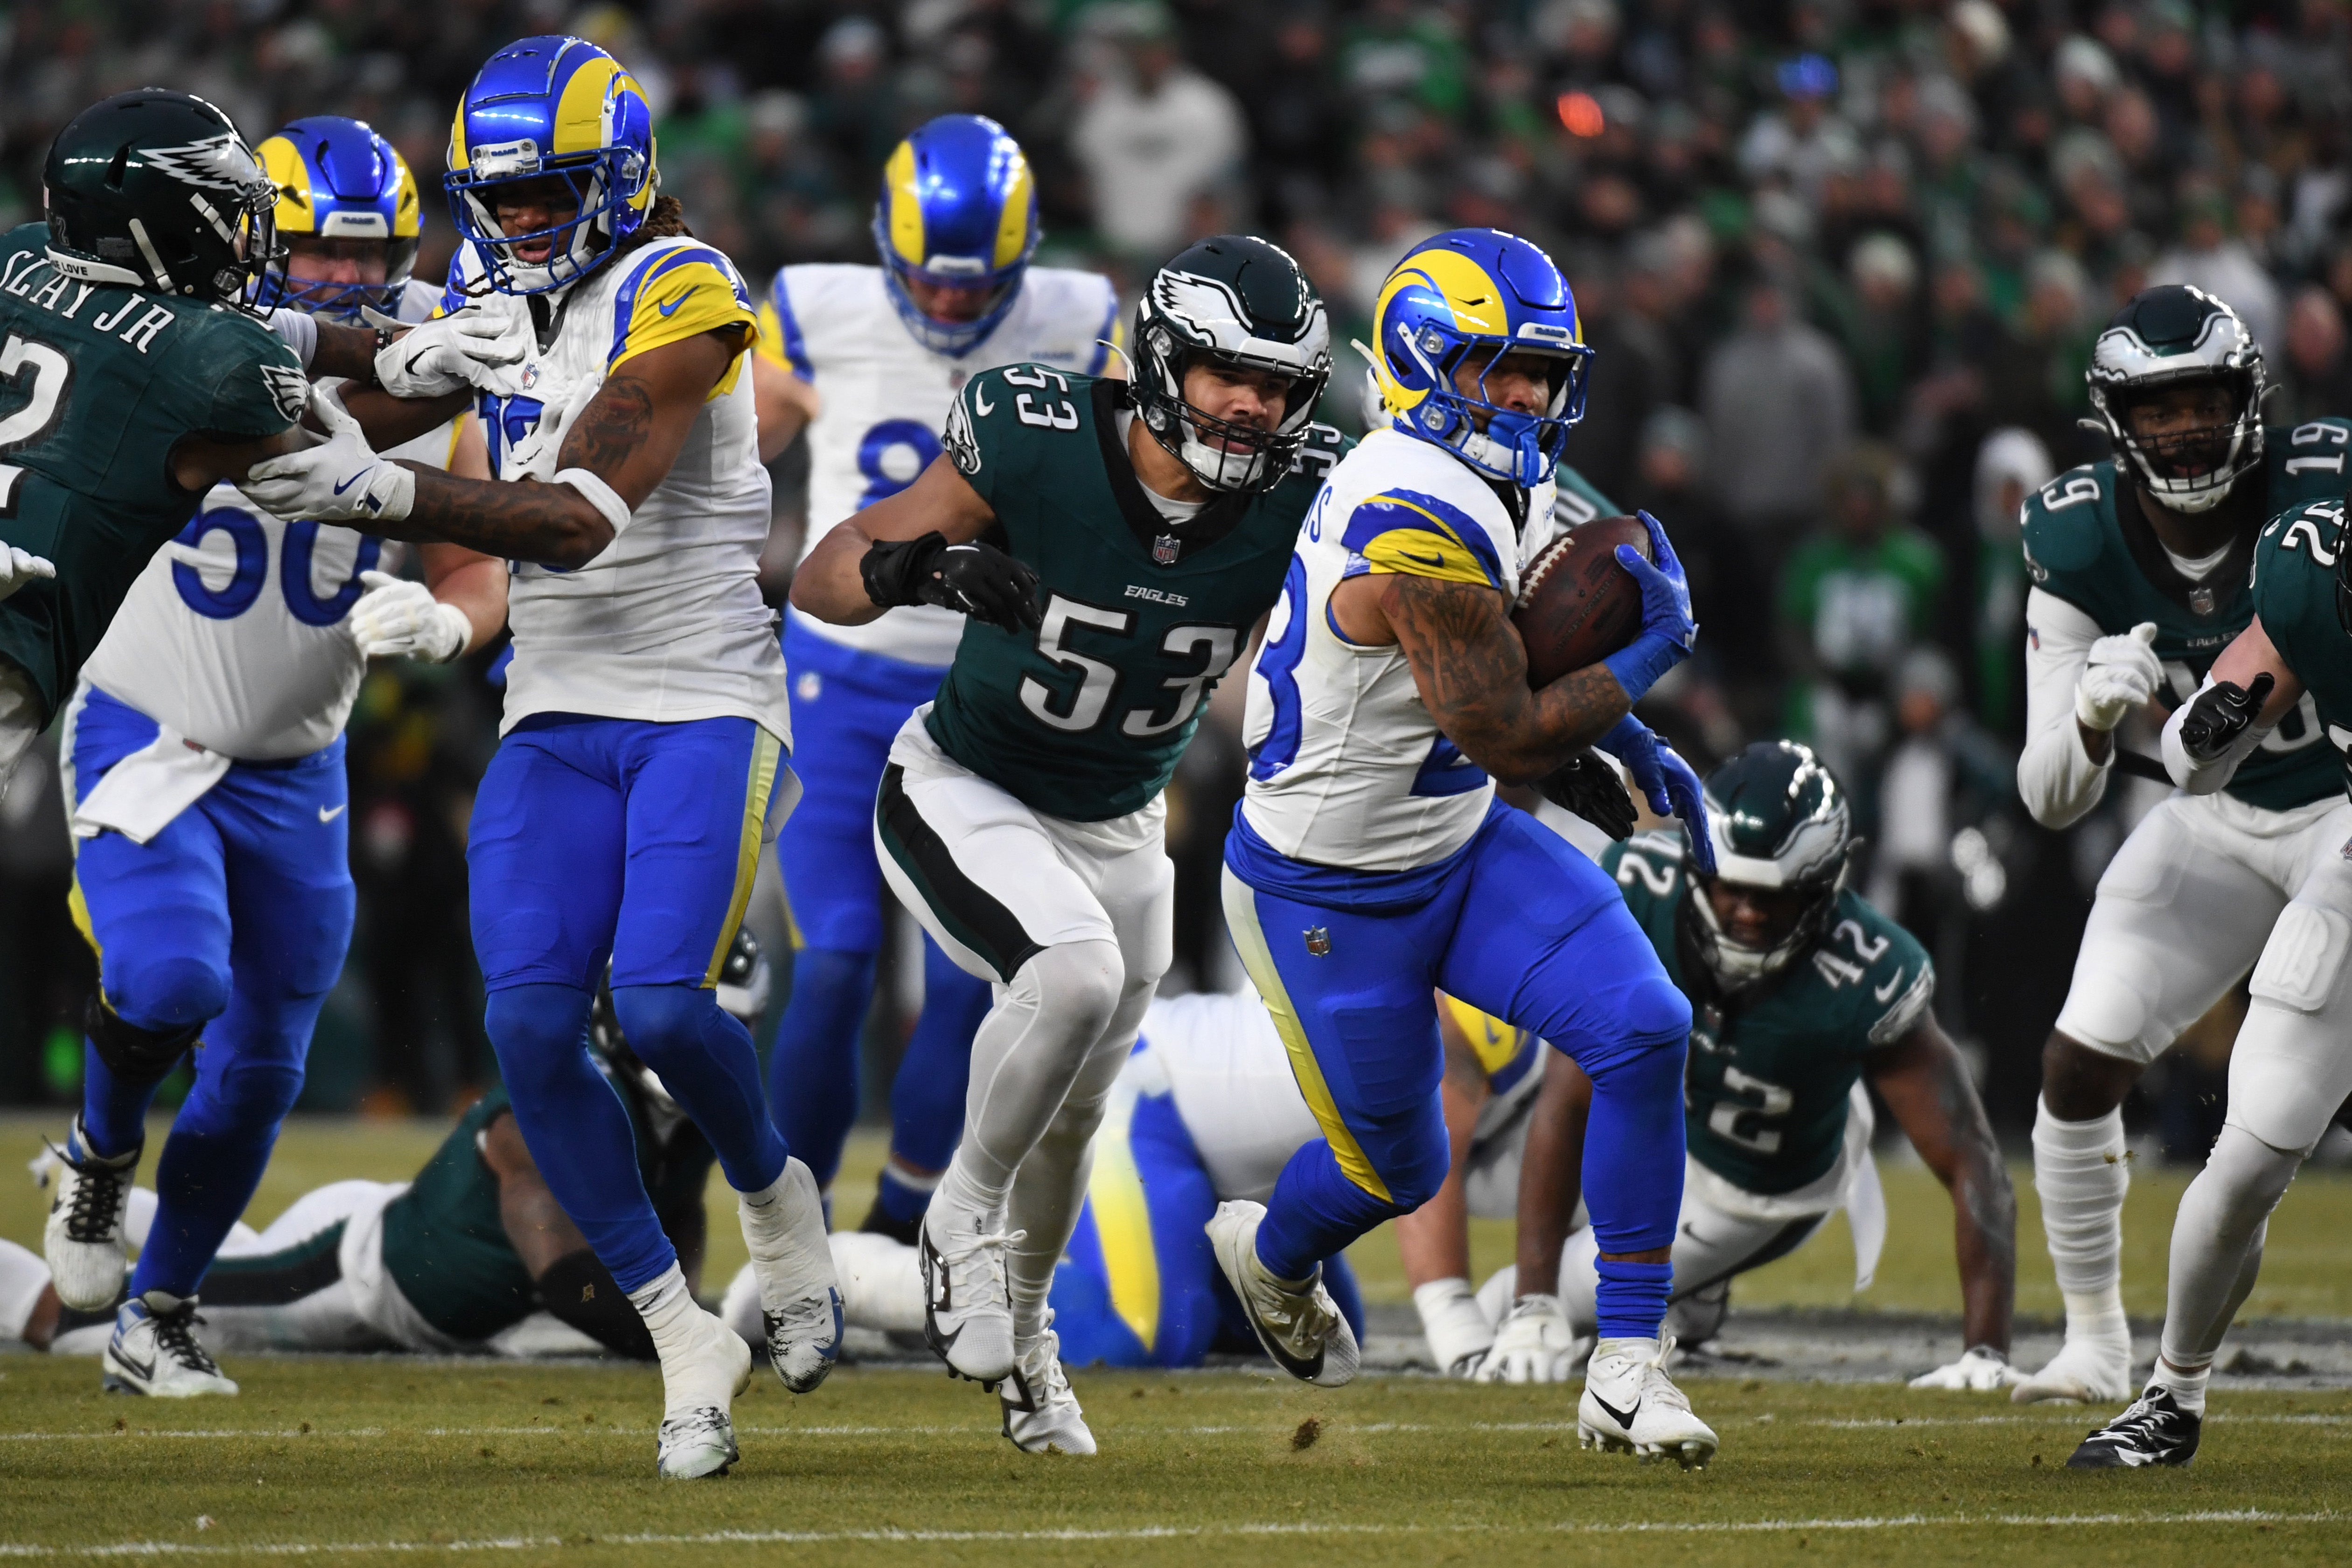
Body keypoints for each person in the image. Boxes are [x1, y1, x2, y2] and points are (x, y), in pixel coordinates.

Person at [231, 35, 838, 1481]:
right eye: (494, 197)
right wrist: (359, 377)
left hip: (699, 696)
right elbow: (360, 422)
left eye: (543, 193)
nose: (513, 219)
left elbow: (572, 515)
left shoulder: (685, 290)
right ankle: (683, 1336)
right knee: (528, 1032)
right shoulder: (489, 285)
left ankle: (776, 1196)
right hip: (554, 707)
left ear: (616, 178)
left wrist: (376, 489)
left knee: (668, 1007)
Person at [790, 233, 1340, 1454]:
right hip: (963, 783)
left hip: (1124, 821)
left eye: (1276, 386)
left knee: (1077, 1116)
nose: (1251, 407)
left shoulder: (1308, 492)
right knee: (1073, 974)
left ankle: (1031, 1350)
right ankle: (954, 1220)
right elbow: (823, 577)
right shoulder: (1036, 434)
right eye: (1226, 374)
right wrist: (924, 569)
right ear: (1162, 362)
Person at [1218, 228, 1720, 1467]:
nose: (1528, 400)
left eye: (1544, 375)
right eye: (1500, 370)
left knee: (1644, 1025)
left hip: (1452, 836)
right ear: (1419, 362)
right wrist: (1649, 657)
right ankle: (1270, 1256)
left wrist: (1628, 734)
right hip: (1326, 889)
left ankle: (1627, 1364)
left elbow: (1518, 669)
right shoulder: (1411, 507)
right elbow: (1502, 729)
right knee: (1395, 1168)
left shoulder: (1496, 477)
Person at [38, 117, 503, 1400]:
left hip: (301, 765)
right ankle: (98, 1153)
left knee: (259, 1075)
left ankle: (160, 1316)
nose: (349, 280)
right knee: (172, 977)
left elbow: (474, 564)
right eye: (320, 252)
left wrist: (452, 622)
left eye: (372, 255)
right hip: (148, 722)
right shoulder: (174, 345)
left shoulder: (429, 365)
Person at [751, 114, 1121, 1242]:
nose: (952, 303)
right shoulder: (818, 309)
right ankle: (796, 1234)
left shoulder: (1081, 319)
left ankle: (903, 1219)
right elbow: (728, 459)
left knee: (969, 974)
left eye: (976, 284)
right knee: (835, 960)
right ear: (886, 244)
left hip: (983, 693)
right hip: (840, 678)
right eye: (932, 279)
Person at [1417, 745, 2017, 1391]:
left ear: (1821, 889)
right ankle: (1690, 1299)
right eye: (1734, 887)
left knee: (1501, 1305)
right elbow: (1568, 1102)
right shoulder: (1640, 889)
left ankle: (1689, 1284)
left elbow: (1971, 1155)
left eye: (1773, 896)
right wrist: (1534, 1306)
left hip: (1754, 1185)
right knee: (1525, 1312)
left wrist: (1985, 1352)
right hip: (1673, 1120)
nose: (1748, 913)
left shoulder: (1866, 971)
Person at [2010, 284, 2351, 1406]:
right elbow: (2050, 797)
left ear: (2248, 400)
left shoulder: (2323, 482)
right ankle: (2093, 1340)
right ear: (2117, 422)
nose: (2186, 429)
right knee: (2078, 1060)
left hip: (2342, 808)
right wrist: (2089, 717)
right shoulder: (2076, 532)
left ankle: (2178, 1365)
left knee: (2268, 1112)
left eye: (2203, 401)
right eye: (2157, 409)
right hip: (2216, 817)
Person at [27, 933, 765, 1365]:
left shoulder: (689, 1122)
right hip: (357, 1271)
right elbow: (563, 1275)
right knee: (97, 1320)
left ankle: (103, 1200)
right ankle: (33, 1266)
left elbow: (679, 1214)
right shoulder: (565, 1100)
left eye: (726, 1025)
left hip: (440, 1289)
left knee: (233, 1263)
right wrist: (689, 1333)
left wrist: (686, 1311)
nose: (695, 1042)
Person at [2062, 494, 2352, 1466]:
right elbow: (2196, 757)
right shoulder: (2313, 571)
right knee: (2246, 1158)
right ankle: (2172, 1395)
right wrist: (2201, 729)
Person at [721, 985, 1390, 1382]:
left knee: (1318, 1337)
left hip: (1231, 1156)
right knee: (1141, 1335)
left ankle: (1089, 1268)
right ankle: (861, 1275)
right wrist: (1446, 1309)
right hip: (1143, 1093)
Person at [0, 91, 311, 794]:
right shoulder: (211, 361)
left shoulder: (20, 257)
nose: (242, 241)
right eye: (225, 216)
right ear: (162, 230)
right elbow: (301, 451)